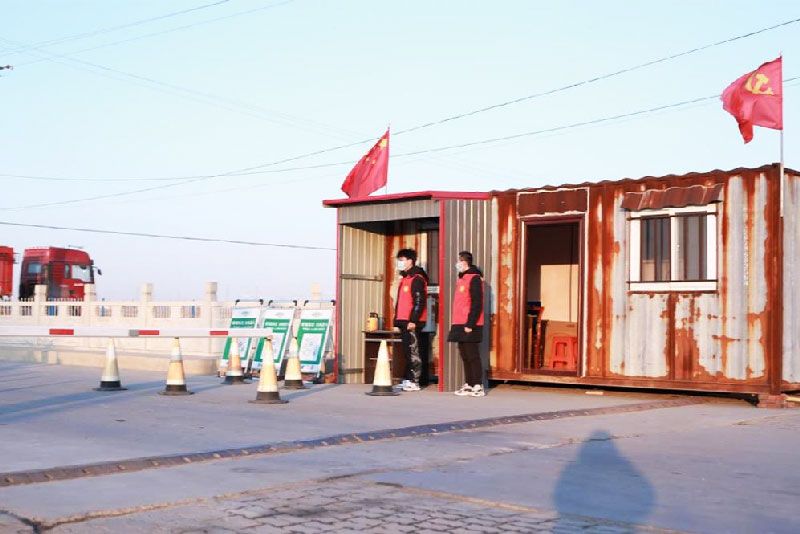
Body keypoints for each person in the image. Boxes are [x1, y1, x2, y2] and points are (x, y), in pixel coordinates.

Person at [448, 251, 485, 397]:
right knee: (464, 355)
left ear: (465, 262)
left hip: (470, 323)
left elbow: (477, 303)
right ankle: (469, 384)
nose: (457, 263)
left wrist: (470, 323)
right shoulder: (462, 278)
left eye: (459, 260)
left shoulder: (474, 278)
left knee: (472, 355)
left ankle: (478, 385)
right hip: (459, 322)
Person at [393, 248, 428, 392]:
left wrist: (413, 320)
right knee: (407, 352)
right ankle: (408, 378)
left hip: (411, 321)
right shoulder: (405, 279)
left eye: (402, 260)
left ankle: (415, 381)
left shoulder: (417, 278)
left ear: (410, 261)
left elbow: (419, 301)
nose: (399, 263)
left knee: (413, 351)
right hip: (403, 320)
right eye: (399, 260)